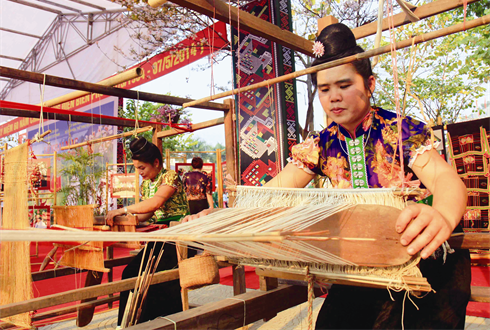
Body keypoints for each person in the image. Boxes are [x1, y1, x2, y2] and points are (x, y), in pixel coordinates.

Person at [186, 23, 470, 330]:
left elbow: (445, 179)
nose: (334, 97)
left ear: (370, 83)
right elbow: (272, 194)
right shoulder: (321, 145)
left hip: (417, 252)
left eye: (345, 85)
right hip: (359, 262)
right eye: (324, 89)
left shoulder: (399, 131)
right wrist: (221, 217)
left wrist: (441, 214)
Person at [105, 137, 190, 327]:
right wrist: (124, 219)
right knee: (131, 273)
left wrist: (124, 210)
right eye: (137, 168)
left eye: (142, 168)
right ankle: (129, 324)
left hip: (180, 236)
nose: (139, 172)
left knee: (161, 278)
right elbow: (148, 213)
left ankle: (166, 322)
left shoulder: (170, 176)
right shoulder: (146, 184)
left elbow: (156, 202)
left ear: (156, 163)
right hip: (161, 237)